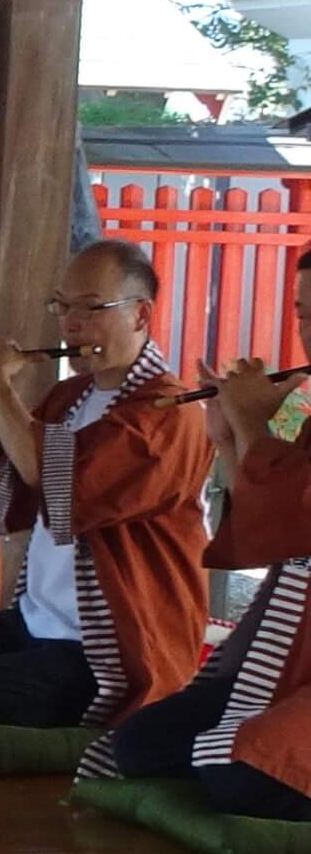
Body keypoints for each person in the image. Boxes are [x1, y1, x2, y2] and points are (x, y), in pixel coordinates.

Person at [0, 240, 208, 727]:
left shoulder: (170, 411)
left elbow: (58, 479)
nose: (71, 323)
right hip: (36, 618)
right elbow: (8, 484)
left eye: (90, 308)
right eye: (62, 306)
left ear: (140, 315)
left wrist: (0, 387)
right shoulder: (69, 396)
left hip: (109, 640)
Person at [95, 251, 311, 818]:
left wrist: (251, 422)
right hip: (296, 655)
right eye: (302, 314)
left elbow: (295, 519)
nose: (308, 333)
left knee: (234, 774)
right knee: (140, 745)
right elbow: (268, 524)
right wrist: (227, 433)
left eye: (91, 307)